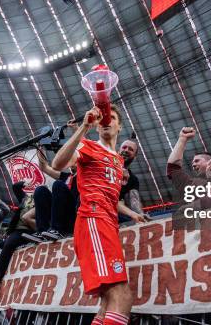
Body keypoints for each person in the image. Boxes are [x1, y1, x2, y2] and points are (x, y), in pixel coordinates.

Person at [52, 105, 146, 325]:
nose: (106, 121)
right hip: (93, 218)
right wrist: (83, 127)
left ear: (119, 126)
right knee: (122, 294)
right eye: (102, 118)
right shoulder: (88, 145)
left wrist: (133, 214)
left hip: (108, 222)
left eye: (112, 118)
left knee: (107, 300)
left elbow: (113, 199)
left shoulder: (119, 161)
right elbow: (58, 163)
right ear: (97, 126)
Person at [0, 181, 36, 294]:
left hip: (35, 230)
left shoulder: (45, 198)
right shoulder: (26, 198)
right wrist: (25, 182)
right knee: (6, 246)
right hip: (19, 230)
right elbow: (15, 187)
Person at [22, 150, 78, 243]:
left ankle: (57, 229)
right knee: (40, 190)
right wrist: (40, 150)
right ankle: (42, 231)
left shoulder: (86, 175)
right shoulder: (67, 177)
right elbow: (44, 168)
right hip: (61, 214)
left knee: (58, 184)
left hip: (75, 215)